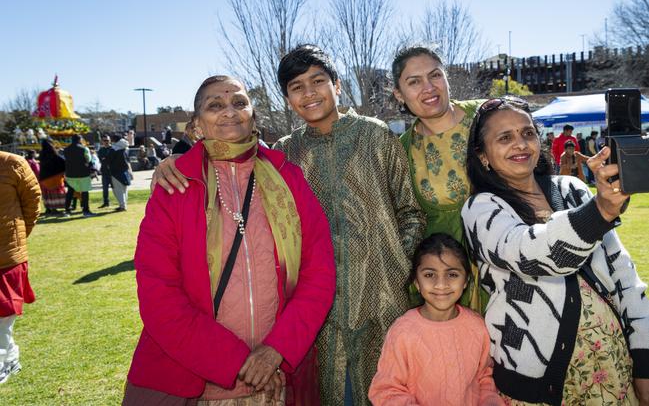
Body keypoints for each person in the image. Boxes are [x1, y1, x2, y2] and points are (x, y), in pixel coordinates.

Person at [153, 45, 425, 406]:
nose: (310, 93)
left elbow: (411, 211)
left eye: (318, 81)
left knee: (389, 392)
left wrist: (395, 267)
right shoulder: (285, 154)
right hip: (315, 316)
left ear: (337, 85)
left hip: (382, 300)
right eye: (297, 87)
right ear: (287, 98)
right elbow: (227, 152)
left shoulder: (375, 136)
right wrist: (173, 161)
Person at [123, 75, 336, 405]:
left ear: (253, 115)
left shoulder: (288, 178)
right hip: (198, 384)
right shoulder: (175, 187)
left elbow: (318, 273)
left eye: (239, 102)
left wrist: (275, 351)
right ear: (196, 126)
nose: (229, 112)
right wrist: (237, 362)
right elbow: (159, 295)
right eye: (215, 105)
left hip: (276, 380)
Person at [461, 96, 649, 405]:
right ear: (482, 156)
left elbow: (625, 277)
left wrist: (643, 359)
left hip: (610, 368)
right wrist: (599, 211)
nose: (520, 144)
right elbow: (532, 252)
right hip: (533, 380)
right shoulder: (481, 209)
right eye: (505, 138)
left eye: (527, 133)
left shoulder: (571, 189)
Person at [391, 43, 485, 311]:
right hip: (449, 284)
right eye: (414, 81)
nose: (428, 87)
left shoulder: (488, 116)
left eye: (435, 75)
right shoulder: (402, 150)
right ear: (399, 94)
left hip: (512, 263)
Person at [368, 234, 502, 406]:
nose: (441, 284)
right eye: (430, 275)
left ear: (466, 281)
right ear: (416, 282)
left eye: (452, 275)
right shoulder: (403, 332)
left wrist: (490, 401)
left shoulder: (477, 327)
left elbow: (484, 377)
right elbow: (386, 390)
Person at [0, 151, 40, 383]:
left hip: (7, 255)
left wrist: (18, 237)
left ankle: (7, 360)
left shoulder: (13, 163)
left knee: (3, 314)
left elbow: (32, 202)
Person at [63, 134, 95, 217]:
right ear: (80, 140)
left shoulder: (66, 149)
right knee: (84, 192)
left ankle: (67, 210)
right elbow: (89, 160)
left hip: (70, 174)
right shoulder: (84, 149)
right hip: (83, 174)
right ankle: (86, 210)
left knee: (70, 192)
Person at [37, 139, 66, 216]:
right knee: (54, 194)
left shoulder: (41, 154)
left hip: (44, 178)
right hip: (54, 177)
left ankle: (48, 209)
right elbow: (62, 162)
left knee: (47, 194)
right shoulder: (53, 153)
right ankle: (54, 209)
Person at [107, 138, 132, 212]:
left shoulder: (114, 149)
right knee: (124, 189)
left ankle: (122, 206)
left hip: (115, 172)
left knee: (118, 190)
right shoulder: (125, 149)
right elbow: (128, 161)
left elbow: (108, 160)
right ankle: (123, 205)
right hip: (124, 171)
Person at [97, 135, 113, 208]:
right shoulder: (101, 150)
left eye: (107, 140)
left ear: (110, 141)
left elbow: (112, 159)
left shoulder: (113, 149)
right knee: (105, 188)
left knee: (116, 188)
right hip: (104, 172)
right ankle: (106, 202)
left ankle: (121, 203)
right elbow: (101, 159)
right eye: (104, 140)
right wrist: (106, 159)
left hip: (113, 172)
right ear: (102, 141)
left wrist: (106, 158)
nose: (106, 142)